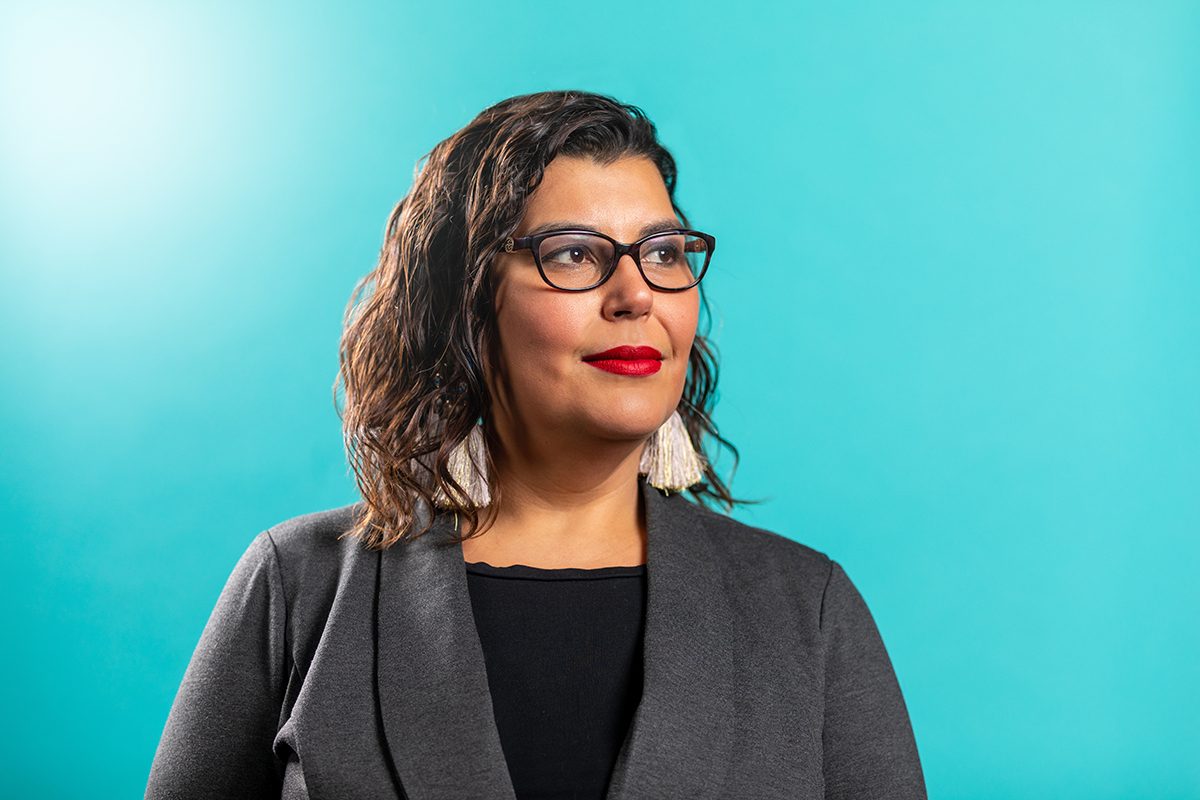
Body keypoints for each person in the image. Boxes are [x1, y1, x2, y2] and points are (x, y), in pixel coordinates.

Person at [145, 89, 927, 800]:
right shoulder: (298, 586)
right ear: (467, 306)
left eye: (663, 252)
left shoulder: (808, 609)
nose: (636, 296)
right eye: (575, 254)